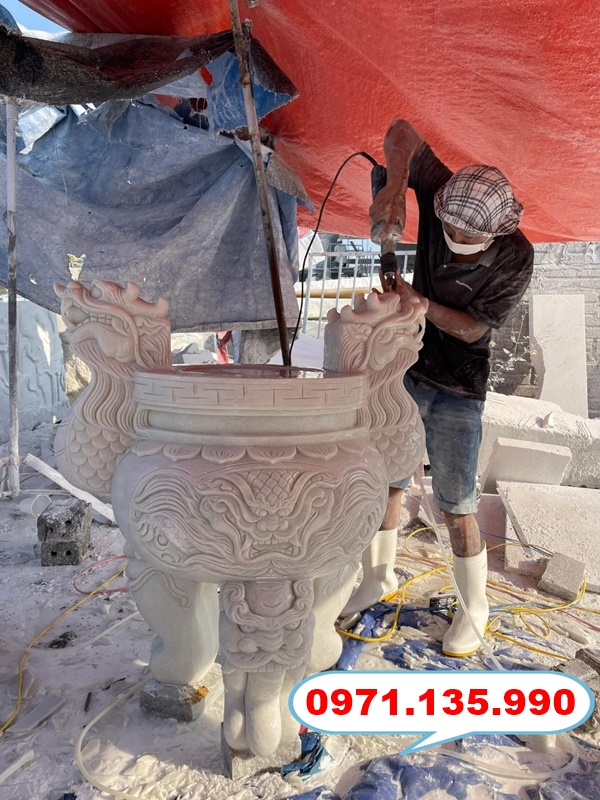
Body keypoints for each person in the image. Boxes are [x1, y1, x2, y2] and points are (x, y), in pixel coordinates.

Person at [343, 119, 534, 657]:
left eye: (469, 240)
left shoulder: (517, 256)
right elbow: (400, 131)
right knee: (387, 480)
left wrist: (421, 303)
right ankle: (377, 577)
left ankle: (475, 608)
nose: (455, 243)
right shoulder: (442, 192)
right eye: (449, 230)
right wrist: (394, 186)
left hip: (459, 383)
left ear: (495, 234)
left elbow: (474, 329)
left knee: (456, 501)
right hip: (408, 365)